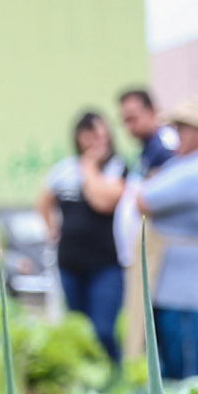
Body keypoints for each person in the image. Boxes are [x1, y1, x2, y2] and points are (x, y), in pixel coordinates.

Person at [134, 102, 198, 381]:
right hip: (177, 284)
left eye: (182, 128)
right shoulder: (188, 164)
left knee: (189, 371)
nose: (176, 136)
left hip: (188, 291)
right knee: (172, 364)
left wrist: (144, 186)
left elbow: (144, 199)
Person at [41, 111, 130, 365]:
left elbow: (103, 202)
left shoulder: (118, 168)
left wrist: (89, 167)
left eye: (101, 134)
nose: (95, 140)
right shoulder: (64, 169)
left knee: (102, 330)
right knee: (77, 330)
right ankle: (85, 381)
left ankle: (112, 373)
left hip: (106, 265)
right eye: (89, 134)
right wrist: (52, 229)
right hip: (70, 264)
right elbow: (44, 201)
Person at [117, 88, 177, 176]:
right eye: (125, 120)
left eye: (132, 118)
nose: (129, 126)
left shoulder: (167, 144)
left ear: (152, 111)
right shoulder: (147, 146)